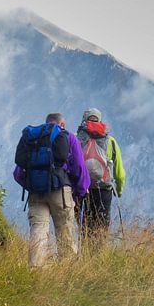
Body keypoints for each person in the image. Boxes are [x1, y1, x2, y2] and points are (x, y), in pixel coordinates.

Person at [14, 113, 89, 267]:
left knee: (38, 230)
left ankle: (36, 270)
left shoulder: (34, 138)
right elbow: (79, 167)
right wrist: (81, 190)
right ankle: (69, 270)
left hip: (36, 192)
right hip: (60, 190)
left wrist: (32, 184)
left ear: (46, 123)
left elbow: (18, 173)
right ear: (62, 124)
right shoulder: (67, 137)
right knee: (65, 231)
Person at [76, 108, 125, 243]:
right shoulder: (110, 141)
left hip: (82, 188)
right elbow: (119, 172)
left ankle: (84, 253)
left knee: (85, 222)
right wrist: (119, 190)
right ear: (100, 120)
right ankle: (98, 255)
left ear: (84, 120)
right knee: (101, 225)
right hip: (104, 189)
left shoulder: (76, 138)